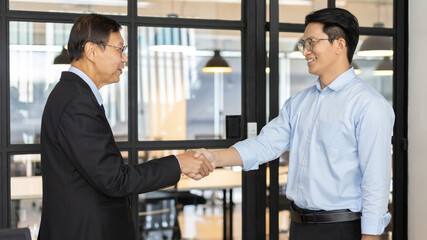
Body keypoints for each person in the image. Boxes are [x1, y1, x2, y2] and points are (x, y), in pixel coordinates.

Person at [194, 8, 394, 240]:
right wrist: (214, 158)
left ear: (339, 45)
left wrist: (371, 235)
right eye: (303, 44)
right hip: (300, 227)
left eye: (311, 42)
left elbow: (376, 178)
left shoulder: (369, 104)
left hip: (342, 229)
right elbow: (264, 145)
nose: (305, 51)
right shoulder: (299, 102)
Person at [38, 13, 213, 240]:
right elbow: (115, 180)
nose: (125, 58)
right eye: (119, 49)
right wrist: (179, 163)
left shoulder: (74, 95)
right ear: (91, 51)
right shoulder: (76, 102)